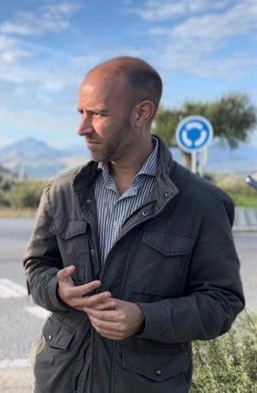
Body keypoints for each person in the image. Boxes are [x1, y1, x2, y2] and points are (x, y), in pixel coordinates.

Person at [23, 56, 244, 393]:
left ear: (142, 113)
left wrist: (144, 317)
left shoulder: (202, 203)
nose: (82, 128)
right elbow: (37, 266)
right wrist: (58, 290)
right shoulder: (62, 191)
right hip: (61, 379)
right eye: (80, 113)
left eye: (97, 114)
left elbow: (221, 303)